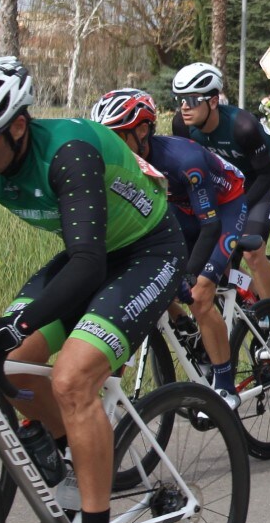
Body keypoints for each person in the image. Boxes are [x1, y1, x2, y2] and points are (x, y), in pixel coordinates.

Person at [0, 58, 186, 523]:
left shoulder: (68, 154)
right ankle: (64, 458)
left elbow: (86, 268)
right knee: (14, 361)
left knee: (72, 378)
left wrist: (12, 325)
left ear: (16, 126)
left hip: (149, 253)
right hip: (95, 252)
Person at [90, 89, 247, 408]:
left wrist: (191, 274)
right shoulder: (122, 165)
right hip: (182, 210)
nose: (109, 146)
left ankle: (226, 387)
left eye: (117, 136)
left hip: (225, 207)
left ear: (142, 130)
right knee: (151, 282)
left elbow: (210, 226)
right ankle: (186, 327)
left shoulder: (182, 160)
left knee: (201, 295)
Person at [171, 63, 270, 308]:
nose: (184, 107)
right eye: (180, 99)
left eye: (191, 100)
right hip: (227, 183)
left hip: (263, 177)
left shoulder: (242, 126)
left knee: (251, 251)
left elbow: (265, 175)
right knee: (215, 257)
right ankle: (255, 303)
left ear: (213, 101)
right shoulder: (182, 126)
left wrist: (237, 210)